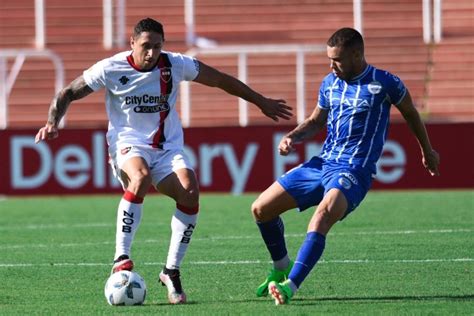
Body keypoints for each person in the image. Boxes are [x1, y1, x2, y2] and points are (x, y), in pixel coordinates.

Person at [35, 17, 292, 304]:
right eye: (146, 46)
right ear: (132, 43)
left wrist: (261, 102)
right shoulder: (110, 68)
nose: (151, 53)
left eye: (157, 46)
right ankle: (121, 256)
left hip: (167, 148)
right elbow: (68, 92)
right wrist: (52, 122)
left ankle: (171, 270)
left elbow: (220, 80)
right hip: (128, 144)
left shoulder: (175, 64)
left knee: (190, 189)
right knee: (141, 177)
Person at [251, 27, 440, 305]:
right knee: (260, 209)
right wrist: (292, 137)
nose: (331, 65)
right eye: (329, 59)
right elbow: (316, 121)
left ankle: (291, 286)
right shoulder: (329, 82)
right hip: (323, 163)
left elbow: (411, 112)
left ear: (356, 55)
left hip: (354, 170)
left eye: (337, 60)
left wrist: (427, 149)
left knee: (322, 215)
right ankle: (281, 268)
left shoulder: (385, 83)